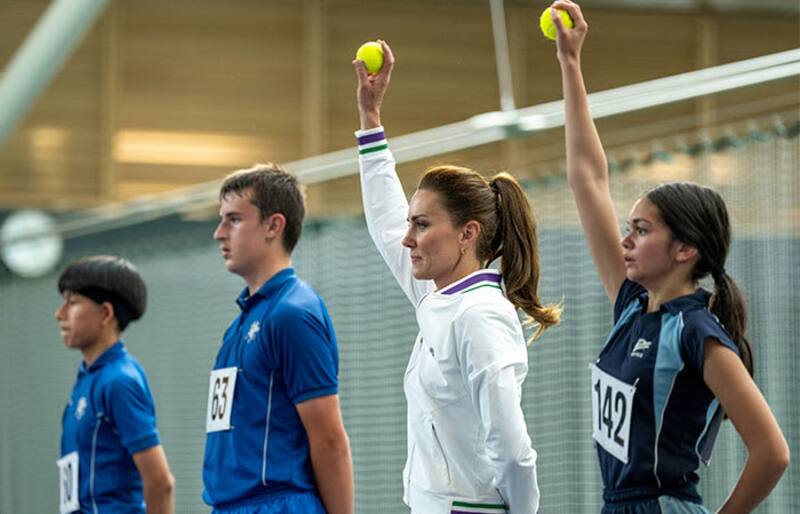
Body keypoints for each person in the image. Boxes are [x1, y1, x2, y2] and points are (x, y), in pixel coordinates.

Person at [550, 2, 790, 512]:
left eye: (641, 230)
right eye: (628, 228)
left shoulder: (698, 333)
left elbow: (772, 452)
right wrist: (570, 65)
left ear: (685, 249)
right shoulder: (634, 305)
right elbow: (588, 179)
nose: (625, 241)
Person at [353, 42, 561, 514]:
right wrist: (371, 117)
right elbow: (385, 219)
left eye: (422, 225)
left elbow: (513, 450)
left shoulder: (481, 316)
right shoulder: (435, 295)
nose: (407, 239)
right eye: (411, 223)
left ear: (468, 234)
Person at [202, 164, 353, 514]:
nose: (219, 233)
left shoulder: (293, 314)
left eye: (234, 220)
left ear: (274, 225)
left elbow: (330, 440)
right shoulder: (241, 324)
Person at [56, 255, 174, 514]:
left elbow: (160, 483)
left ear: (105, 313)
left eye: (73, 303)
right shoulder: (87, 380)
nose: (60, 314)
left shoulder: (119, 381)